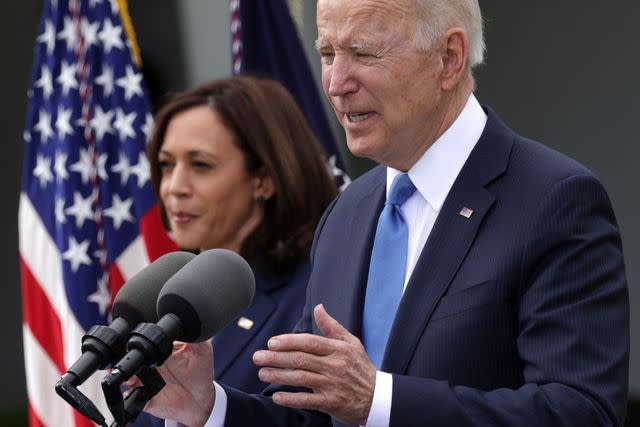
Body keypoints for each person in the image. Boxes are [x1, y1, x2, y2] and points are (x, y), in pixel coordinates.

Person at [141, 0, 630, 426]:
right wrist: (208, 408)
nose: (335, 83)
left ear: (449, 58)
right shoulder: (347, 212)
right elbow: (311, 416)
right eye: (328, 53)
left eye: (363, 54)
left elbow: (580, 411)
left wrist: (380, 401)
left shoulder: (553, 200)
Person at [128, 76, 337, 426]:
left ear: (264, 179)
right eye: (167, 164)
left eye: (200, 165)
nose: (175, 187)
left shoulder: (313, 298)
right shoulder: (161, 299)